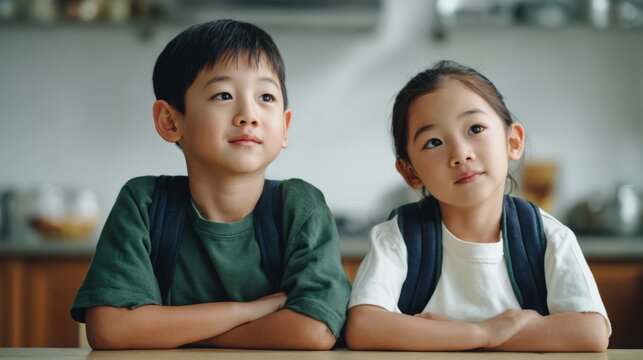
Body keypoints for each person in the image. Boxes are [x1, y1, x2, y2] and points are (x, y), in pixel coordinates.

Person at [70, 19, 350, 350]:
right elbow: (110, 330)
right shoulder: (143, 203)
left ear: (285, 126)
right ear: (170, 121)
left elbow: (314, 331)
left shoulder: (300, 206)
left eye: (266, 96)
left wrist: (171, 333)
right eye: (223, 94)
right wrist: (247, 311)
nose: (249, 114)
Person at [345, 60, 610, 352]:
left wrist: (450, 335)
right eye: (433, 142)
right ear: (411, 173)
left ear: (513, 141)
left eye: (475, 128)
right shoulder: (398, 238)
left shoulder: (549, 237)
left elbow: (590, 332)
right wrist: (481, 333)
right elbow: (364, 327)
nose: (460, 154)